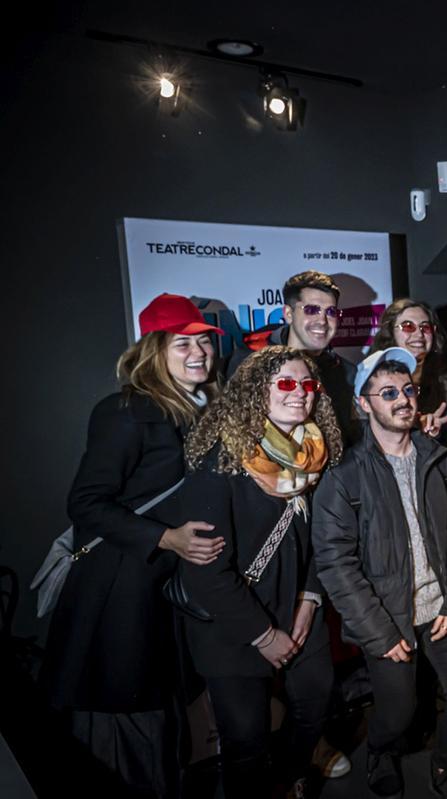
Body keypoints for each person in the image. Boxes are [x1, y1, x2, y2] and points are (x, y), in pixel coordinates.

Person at [40, 293, 224, 797]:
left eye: (204, 342)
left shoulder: (198, 410)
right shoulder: (124, 411)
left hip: (160, 594)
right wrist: (164, 537)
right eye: (182, 343)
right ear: (153, 349)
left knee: (160, 723)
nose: (198, 353)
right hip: (116, 596)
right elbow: (86, 503)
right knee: (123, 728)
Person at [313, 348, 447, 798]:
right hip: (388, 619)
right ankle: (381, 752)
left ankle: (446, 767)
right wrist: (380, 632)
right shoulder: (344, 477)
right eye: (388, 392)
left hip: (444, 609)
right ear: (364, 403)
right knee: (397, 714)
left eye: (408, 389)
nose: (403, 399)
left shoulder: (441, 459)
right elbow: (335, 563)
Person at [177, 345, 342, 798]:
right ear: (255, 392)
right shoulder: (219, 462)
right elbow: (204, 572)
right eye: (286, 384)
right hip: (232, 620)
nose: (300, 394)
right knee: (245, 738)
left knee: (316, 700)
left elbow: (323, 543)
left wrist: (311, 599)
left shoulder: (316, 456)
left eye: (308, 385)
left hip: (298, 606)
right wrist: (264, 635)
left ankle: (286, 779)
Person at [227, 270, 358, 443]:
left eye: (331, 312)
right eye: (312, 310)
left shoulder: (346, 373)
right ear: (288, 314)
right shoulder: (250, 362)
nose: (323, 320)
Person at [367, 299, 447, 416]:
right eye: (408, 326)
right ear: (390, 332)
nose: (419, 334)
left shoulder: (446, 376)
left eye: (425, 327)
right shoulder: (373, 377)